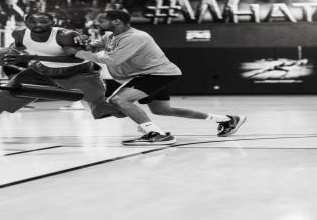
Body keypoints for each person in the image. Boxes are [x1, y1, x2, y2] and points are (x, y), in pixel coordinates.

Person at [64, 9, 246, 146]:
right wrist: (86, 43)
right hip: (153, 74)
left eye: (101, 21)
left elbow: (113, 59)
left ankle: (156, 134)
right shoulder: (111, 36)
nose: (96, 23)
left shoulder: (135, 37)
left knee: (119, 100)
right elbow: (99, 45)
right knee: (162, 110)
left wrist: (77, 53)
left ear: (117, 21)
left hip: (155, 74)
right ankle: (226, 119)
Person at [0, 11, 123, 138]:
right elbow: (18, 46)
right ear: (26, 22)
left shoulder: (66, 35)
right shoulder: (19, 34)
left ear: (53, 22)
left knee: (103, 108)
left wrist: (31, 57)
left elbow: (75, 59)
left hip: (78, 73)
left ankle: (138, 122)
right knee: (3, 94)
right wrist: (9, 52)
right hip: (42, 71)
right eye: (32, 21)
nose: (38, 25)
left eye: (43, 21)